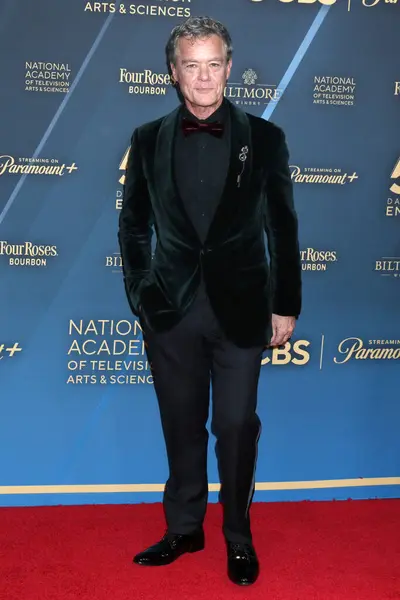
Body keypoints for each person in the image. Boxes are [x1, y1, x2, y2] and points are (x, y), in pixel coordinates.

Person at [118, 15, 301, 586]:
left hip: (243, 309)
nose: (203, 77)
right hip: (171, 309)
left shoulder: (265, 139)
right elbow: (132, 229)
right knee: (180, 424)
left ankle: (238, 537)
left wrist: (285, 304)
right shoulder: (147, 139)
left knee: (235, 424)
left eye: (213, 64)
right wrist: (143, 297)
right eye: (190, 66)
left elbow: (282, 228)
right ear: (173, 74)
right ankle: (184, 528)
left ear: (229, 67)